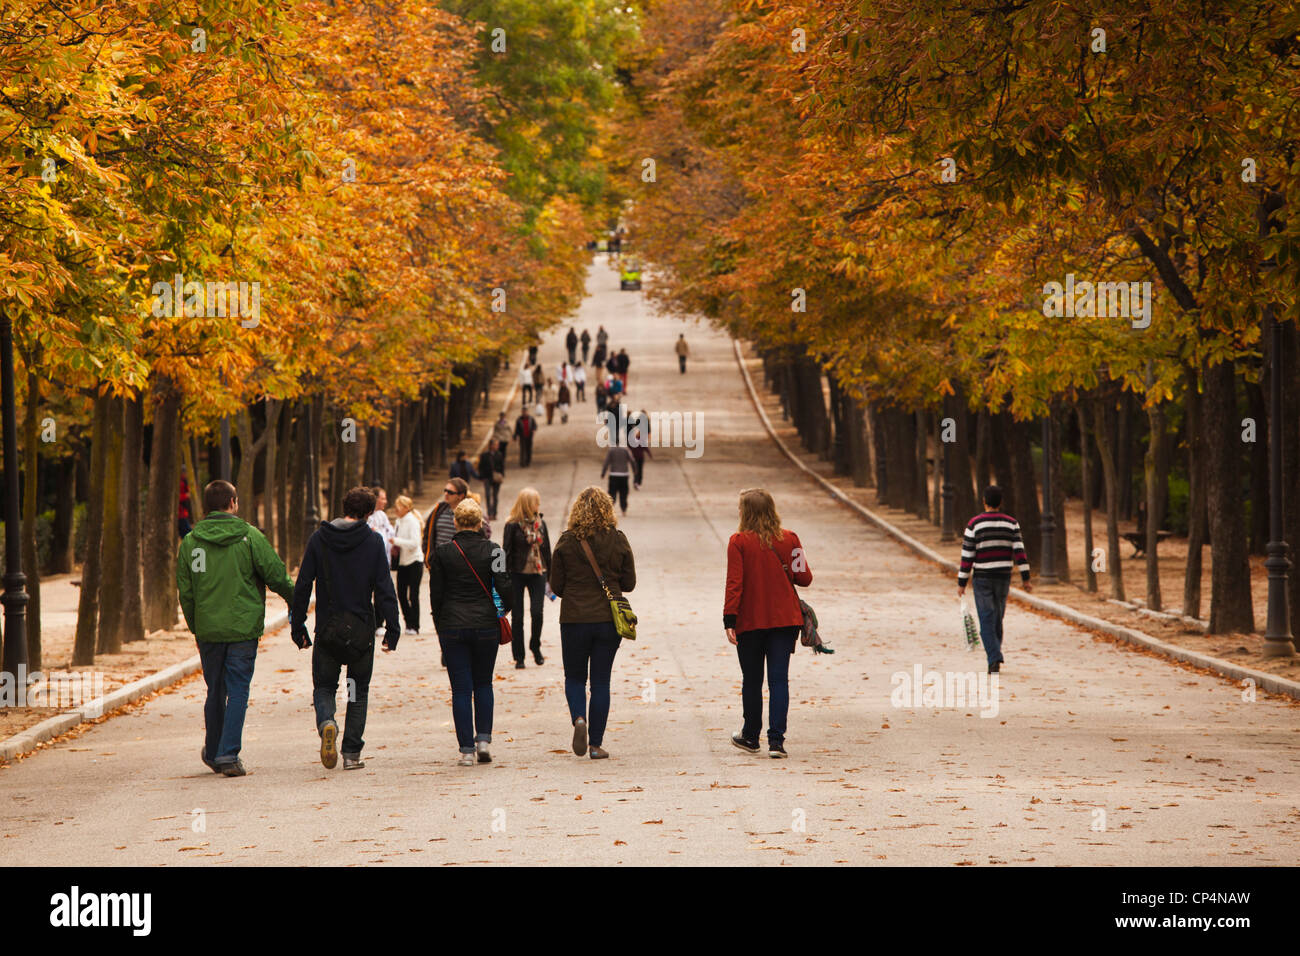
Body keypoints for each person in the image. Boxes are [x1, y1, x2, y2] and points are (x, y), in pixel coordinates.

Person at [177, 480, 295, 777]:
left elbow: (186, 591)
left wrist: (197, 625)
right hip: (242, 628)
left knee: (215, 689)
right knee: (238, 689)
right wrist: (296, 601)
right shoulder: (250, 537)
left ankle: (215, 750)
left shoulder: (191, 542)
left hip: (208, 630)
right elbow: (276, 575)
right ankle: (228, 754)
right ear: (232, 502)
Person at [291, 486, 401, 771]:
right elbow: (384, 588)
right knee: (357, 690)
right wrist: (393, 627)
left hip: (328, 627)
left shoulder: (319, 539)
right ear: (369, 513)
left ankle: (327, 722)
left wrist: (298, 623)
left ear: (344, 507)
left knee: (325, 686)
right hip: (361, 630)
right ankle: (351, 753)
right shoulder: (374, 542)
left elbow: (303, 584)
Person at [723, 488, 812, 759]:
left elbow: (734, 584)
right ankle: (777, 741)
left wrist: (729, 618)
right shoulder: (790, 539)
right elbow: (805, 578)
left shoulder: (738, 542)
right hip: (785, 621)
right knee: (778, 680)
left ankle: (751, 736)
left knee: (752, 680)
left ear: (746, 512)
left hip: (750, 621)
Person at [548, 486, 636, 760]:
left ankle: (578, 719)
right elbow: (630, 583)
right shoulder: (618, 539)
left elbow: (557, 586)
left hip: (574, 618)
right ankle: (596, 745)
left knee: (574, 677)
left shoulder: (566, 541)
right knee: (600, 682)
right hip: (608, 622)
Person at [428, 496, 510, 765]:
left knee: (461, 689)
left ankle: (466, 750)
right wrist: (503, 610)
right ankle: (483, 739)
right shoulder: (495, 551)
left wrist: (440, 624)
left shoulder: (442, 553)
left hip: (453, 625)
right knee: (484, 683)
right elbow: (505, 586)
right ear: (479, 523)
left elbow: (436, 594)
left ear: (455, 523)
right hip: (486, 625)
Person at [957, 485, 1032, 675]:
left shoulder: (974, 524)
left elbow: (967, 556)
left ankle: (994, 656)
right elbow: (1020, 553)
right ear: (1000, 502)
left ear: (984, 501)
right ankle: (994, 655)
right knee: (997, 617)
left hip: (982, 578)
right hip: (1003, 577)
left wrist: (962, 582)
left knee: (987, 618)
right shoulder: (1012, 524)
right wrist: (1026, 578)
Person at [502, 487, 551, 668]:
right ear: (528, 504)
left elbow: (547, 550)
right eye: (536, 502)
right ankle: (519, 656)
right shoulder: (512, 524)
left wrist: (551, 577)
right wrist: (502, 578)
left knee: (537, 612)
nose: (538, 505)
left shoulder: (540, 523)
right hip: (516, 573)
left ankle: (535, 647)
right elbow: (505, 551)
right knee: (518, 616)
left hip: (538, 572)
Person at [392, 495, 425, 635]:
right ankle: (408, 621)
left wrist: (396, 541)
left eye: (398, 506)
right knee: (401, 593)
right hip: (403, 562)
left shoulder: (413, 521)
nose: (395, 509)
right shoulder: (398, 521)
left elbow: (414, 543)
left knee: (413, 594)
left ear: (406, 507)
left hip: (414, 561)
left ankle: (415, 625)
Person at [601, 438, 635, 516]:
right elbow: (632, 460)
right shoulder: (625, 450)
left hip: (614, 475)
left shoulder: (611, 451)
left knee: (612, 493)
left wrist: (603, 473)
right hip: (624, 475)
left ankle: (610, 510)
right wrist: (634, 470)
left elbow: (606, 462)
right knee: (623, 493)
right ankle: (624, 510)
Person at [367, 487, 396, 572]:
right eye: (383, 499)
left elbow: (391, 532)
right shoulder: (367, 517)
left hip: (385, 561)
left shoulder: (382, 515)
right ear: (375, 499)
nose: (385, 502)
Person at [478, 439, 505, 520]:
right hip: (487, 478)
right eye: (495, 445)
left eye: (497, 445)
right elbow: (480, 467)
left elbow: (502, 466)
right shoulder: (484, 455)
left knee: (495, 496)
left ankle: (494, 513)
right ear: (491, 445)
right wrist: (482, 477)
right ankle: (489, 513)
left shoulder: (499, 454)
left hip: (496, 478)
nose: (497, 446)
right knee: (488, 495)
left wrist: (501, 475)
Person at [177, 467, 193, 538]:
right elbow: (177, 497)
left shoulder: (184, 481)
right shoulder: (180, 482)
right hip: (180, 513)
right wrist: (186, 495)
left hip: (183, 512)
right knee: (188, 533)